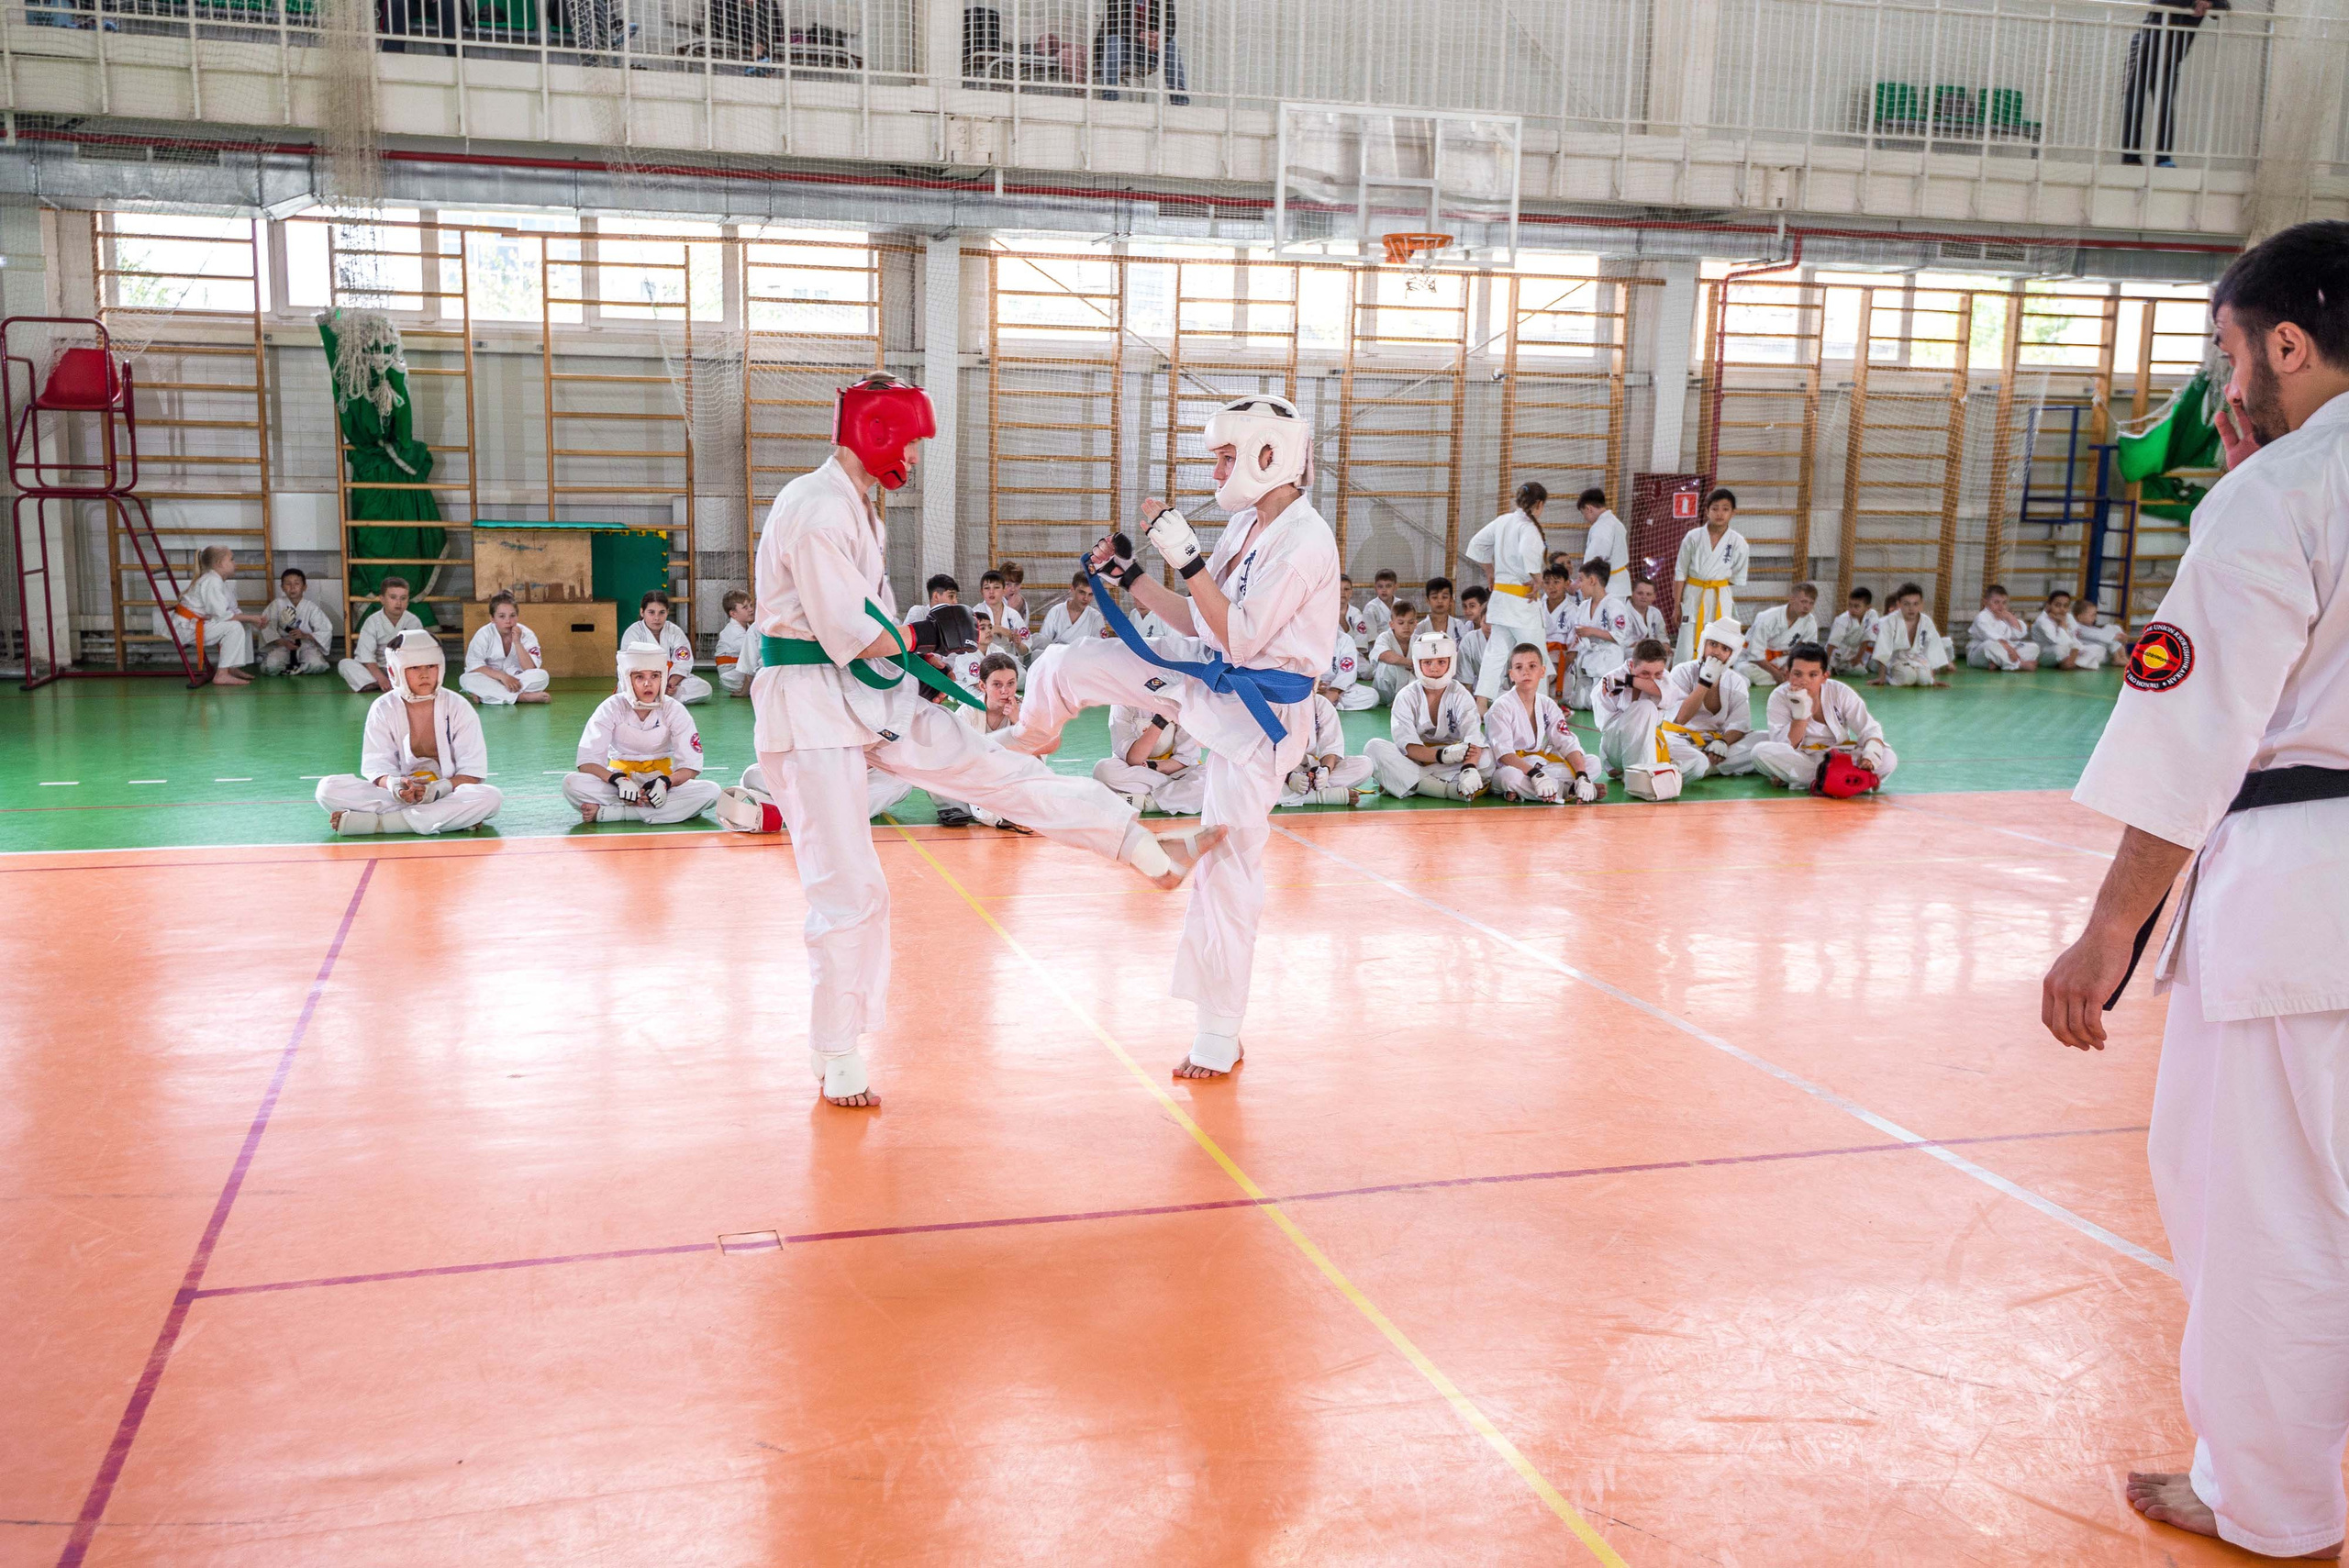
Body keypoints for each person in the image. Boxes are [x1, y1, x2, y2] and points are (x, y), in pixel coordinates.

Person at [2040, 221, 2349, 1563]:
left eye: (2227, 357)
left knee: (2268, 1216)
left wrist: (2110, 927)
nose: (2223, 391)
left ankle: (2272, 1503)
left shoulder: (2284, 492)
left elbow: (2190, 719)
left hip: (2307, 905)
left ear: (2285, 343)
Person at [753, 373, 1218, 1106]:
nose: (912, 455)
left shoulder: (855, 506)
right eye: (908, 440)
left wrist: (919, 652)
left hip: (867, 693)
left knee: (994, 767)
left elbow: (864, 632)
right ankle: (836, 1049)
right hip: (810, 711)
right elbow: (849, 633)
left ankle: (1139, 846)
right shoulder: (816, 508)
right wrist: (918, 635)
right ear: (876, 432)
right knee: (848, 884)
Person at [1012, 389, 1339, 1081]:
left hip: (1262, 720)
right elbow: (1198, 617)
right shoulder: (1248, 526)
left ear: (1268, 455)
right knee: (1066, 663)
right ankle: (1026, 742)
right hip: (1209, 678)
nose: (1217, 472)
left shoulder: (1306, 542)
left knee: (1228, 864)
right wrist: (1131, 575)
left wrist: (1187, 555)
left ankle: (1219, 1031)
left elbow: (1240, 635)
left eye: (1225, 458)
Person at [314, 628, 502, 836]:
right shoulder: (382, 708)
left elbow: (472, 773)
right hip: (397, 797)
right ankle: (447, 819)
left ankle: (381, 823)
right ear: (394, 671)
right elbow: (377, 767)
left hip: (447, 793)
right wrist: (395, 785)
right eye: (414, 667)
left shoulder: (458, 706)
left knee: (490, 798)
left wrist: (439, 789)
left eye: (431, 666)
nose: (425, 674)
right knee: (327, 789)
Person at [562, 645, 720, 825]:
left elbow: (690, 765)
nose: (648, 684)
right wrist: (618, 780)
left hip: (660, 782)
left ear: (662, 678)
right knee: (571, 784)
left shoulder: (674, 709)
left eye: (655, 676)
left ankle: (616, 813)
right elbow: (587, 762)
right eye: (639, 677)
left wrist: (665, 783)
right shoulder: (611, 707)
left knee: (711, 792)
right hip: (619, 782)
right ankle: (660, 811)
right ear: (627, 679)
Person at [1363, 628, 1490, 801]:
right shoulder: (1406, 696)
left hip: (1456, 759)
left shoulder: (1461, 694)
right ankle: (1447, 790)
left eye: (1441, 662)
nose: (1434, 668)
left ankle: (1408, 782)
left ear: (1451, 662)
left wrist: (1469, 769)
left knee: (1487, 760)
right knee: (1374, 748)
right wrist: (1443, 755)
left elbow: (1473, 739)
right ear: (1417, 663)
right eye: (1427, 662)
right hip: (1418, 758)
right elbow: (1408, 746)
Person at [1749, 642, 1896, 790]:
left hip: (1840, 755)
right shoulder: (1779, 697)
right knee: (1760, 752)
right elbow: (1785, 745)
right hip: (1804, 757)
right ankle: (1852, 779)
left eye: (1813, 675)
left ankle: (1809, 779)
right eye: (1797, 674)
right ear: (1788, 674)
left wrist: (1870, 757)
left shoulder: (1840, 692)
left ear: (1824, 676)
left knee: (1888, 757)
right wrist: (1801, 714)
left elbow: (1869, 729)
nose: (1804, 681)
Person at [1465, 480, 1555, 707]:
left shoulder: (1503, 521)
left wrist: (1490, 572)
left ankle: (1481, 704)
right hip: (1522, 602)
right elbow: (1527, 552)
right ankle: (1538, 707)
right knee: (1535, 655)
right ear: (1539, 504)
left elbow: (1476, 544)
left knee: (1495, 653)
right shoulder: (1528, 527)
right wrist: (1537, 577)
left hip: (1501, 600)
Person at [1486, 642, 1602, 804]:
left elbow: (1566, 742)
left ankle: (1537, 790)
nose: (1525, 672)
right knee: (1510, 778)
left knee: (1593, 764)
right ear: (1511, 675)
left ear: (1542, 671)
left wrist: (1582, 775)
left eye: (1532, 666)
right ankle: (1567, 790)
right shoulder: (1501, 708)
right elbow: (1504, 755)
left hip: (1540, 765)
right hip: (1510, 768)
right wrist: (1535, 775)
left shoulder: (1548, 704)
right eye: (1519, 667)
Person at [930, 652, 1033, 830]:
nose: (1005, 691)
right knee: (935, 766)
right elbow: (953, 757)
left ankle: (1001, 810)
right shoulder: (967, 712)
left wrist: (1018, 723)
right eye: (997, 684)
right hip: (972, 778)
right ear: (983, 686)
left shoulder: (1024, 713)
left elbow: (1036, 757)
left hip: (1010, 777)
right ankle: (951, 808)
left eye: (1010, 683)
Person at [2122, 0, 2227, 169]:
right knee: (2134, 105)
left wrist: (2207, 4)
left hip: (2170, 60)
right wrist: (2194, 3)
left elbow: (2224, 7)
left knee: (2164, 106)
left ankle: (2163, 158)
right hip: (2143, 53)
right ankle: (2130, 158)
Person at [1658, 617, 1759, 777]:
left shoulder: (1736, 681)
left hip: (1715, 744)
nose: (1717, 652)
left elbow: (1740, 723)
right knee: (1684, 754)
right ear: (1703, 644)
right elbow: (1681, 718)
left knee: (1763, 741)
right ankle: (1710, 765)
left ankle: (1698, 767)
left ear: (1732, 655)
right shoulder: (1682, 671)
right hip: (1680, 740)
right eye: (1713, 644)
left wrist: (1723, 742)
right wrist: (1705, 681)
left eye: (1725, 649)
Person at [157, 544, 264, 685]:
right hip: (186, 629)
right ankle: (222, 674)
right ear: (220, 563)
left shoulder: (218, 581)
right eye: (231, 559)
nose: (235, 563)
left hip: (197, 624)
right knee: (234, 627)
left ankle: (232, 667)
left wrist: (252, 620)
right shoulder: (212, 581)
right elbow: (223, 616)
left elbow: (232, 609)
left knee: (243, 625)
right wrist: (251, 618)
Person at [1674, 486, 1750, 660]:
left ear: (1733, 513)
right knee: (1686, 644)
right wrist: (1677, 605)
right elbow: (1680, 572)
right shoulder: (1693, 537)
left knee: (1719, 642)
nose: (1719, 513)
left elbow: (1737, 576)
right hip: (1693, 595)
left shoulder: (1739, 543)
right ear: (1707, 511)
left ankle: (1714, 676)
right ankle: (1682, 675)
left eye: (1725, 509)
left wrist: (1715, 582)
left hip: (1719, 596)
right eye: (1715, 508)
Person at [1594, 638, 1677, 796]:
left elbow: (1669, 696)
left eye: (1657, 673)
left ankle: (1641, 773)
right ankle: (1638, 780)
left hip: (1648, 744)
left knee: (1697, 763)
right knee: (1645, 707)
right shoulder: (1610, 680)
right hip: (1616, 748)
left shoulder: (1663, 678)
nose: (1652, 678)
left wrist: (1630, 680)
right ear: (1632, 665)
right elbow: (1606, 727)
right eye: (1645, 673)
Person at [1095, 706, 1207, 816]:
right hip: (1137, 771)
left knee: (1209, 777)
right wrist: (1160, 721)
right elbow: (1134, 759)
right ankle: (1179, 794)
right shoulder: (1121, 703)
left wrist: (1153, 766)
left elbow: (1185, 759)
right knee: (1103, 769)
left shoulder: (1184, 702)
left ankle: (1145, 803)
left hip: (1174, 771)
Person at [1276, 693, 1373, 807]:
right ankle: (1323, 796)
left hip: (1308, 769)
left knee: (1364, 765)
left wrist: (1325, 771)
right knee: (1257, 788)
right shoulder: (1270, 703)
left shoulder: (1320, 703)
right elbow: (1263, 758)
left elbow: (1331, 749)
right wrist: (1289, 777)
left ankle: (1299, 792)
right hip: (1275, 770)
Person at [1564, 558, 1634, 708]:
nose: (1578, 585)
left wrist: (1592, 631)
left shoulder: (1614, 605)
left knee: (1602, 706)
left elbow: (1620, 635)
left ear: (1592, 580)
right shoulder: (1583, 606)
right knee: (1579, 704)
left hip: (1607, 664)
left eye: (1581, 579)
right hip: (1586, 663)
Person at [460, 591, 551, 706]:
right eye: (502, 616)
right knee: (466, 679)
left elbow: (530, 668)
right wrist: (503, 677)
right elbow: (474, 666)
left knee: (542, 676)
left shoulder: (527, 634)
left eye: (512, 616)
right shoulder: (483, 634)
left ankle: (488, 696)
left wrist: (517, 642)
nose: (508, 621)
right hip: (491, 678)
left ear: (517, 616)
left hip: (517, 678)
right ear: (492, 618)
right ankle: (521, 697)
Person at [338, 575, 425, 693]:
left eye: (403, 598)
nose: (398, 602)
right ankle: (377, 683)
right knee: (345, 664)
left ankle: (384, 684)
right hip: (377, 669)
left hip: (403, 669)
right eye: (393, 597)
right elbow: (366, 657)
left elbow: (418, 654)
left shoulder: (413, 622)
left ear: (408, 600)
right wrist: (381, 679)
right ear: (382, 599)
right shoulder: (372, 622)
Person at [623, 589, 712, 704]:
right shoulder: (633, 633)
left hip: (669, 680)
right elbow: (631, 667)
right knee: (627, 689)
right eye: (651, 612)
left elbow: (683, 662)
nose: (657, 618)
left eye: (662, 612)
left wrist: (670, 684)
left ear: (667, 612)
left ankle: (658, 698)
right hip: (642, 681)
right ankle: (660, 698)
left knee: (704, 688)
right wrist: (657, 686)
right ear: (642, 612)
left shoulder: (674, 631)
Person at [1092, 0, 1187, 105]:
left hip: (1147, 51)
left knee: (1170, 45)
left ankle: (1180, 102)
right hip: (1121, 50)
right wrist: (1140, 36)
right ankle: (1109, 100)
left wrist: (1159, 36)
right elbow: (1112, 24)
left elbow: (1171, 25)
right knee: (1115, 40)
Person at [1739, 582, 1820, 688]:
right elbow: (1755, 654)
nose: (1807, 607)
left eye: (1811, 603)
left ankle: (1786, 677)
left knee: (1807, 667)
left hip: (1783, 660)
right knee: (1745, 670)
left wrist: (1787, 667)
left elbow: (1807, 650)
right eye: (1804, 602)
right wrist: (1776, 673)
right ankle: (1787, 678)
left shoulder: (1810, 621)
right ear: (1792, 599)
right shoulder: (1768, 618)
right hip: (1753, 662)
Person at [1870, 583, 1953, 686]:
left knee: (1925, 680)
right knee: (1908, 677)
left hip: (1918, 659)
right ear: (1899, 604)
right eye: (1906, 604)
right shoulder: (1890, 621)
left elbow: (1932, 649)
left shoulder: (1926, 622)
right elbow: (1883, 649)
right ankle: (1889, 676)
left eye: (1915, 604)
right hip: (1896, 660)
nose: (1911, 608)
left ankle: (1924, 676)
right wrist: (1881, 677)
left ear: (1921, 604)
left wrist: (1932, 680)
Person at [258, 566, 332, 677]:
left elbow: (325, 629)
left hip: (305, 645)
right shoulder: (276, 604)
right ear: (282, 587)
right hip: (282, 644)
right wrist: (283, 642)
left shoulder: (311, 607)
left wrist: (305, 635)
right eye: (288, 584)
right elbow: (266, 627)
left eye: (297, 583)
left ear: (304, 587)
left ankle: (296, 668)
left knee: (317, 665)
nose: (292, 587)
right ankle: (291, 667)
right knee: (271, 667)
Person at [1966, 584, 2044, 672]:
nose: (2001, 606)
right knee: (1990, 645)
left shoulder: (2004, 617)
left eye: (2004, 603)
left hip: (2005, 650)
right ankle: (2018, 664)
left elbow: (2019, 634)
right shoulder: (1982, 617)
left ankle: (1998, 662)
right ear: (1985, 602)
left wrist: (2010, 617)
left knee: (2034, 647)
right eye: (1996, 602)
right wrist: (2010, 650)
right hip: (1979, 653)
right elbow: (1991, 637)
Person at [1029, 571, 1108, 654]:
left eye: (1090, 594)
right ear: (1072, 589)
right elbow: (1043, 643)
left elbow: (1098, 648)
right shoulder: (1056, 611)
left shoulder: (1096, 617)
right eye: (1082, 592)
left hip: (1082, 658)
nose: (1086, 598)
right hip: (1056, 656)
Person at [2031, 588, 2109, 671]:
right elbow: (2060, 643)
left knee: (2099, 648)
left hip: (2069, 651)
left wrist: (2073, 657)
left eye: (2065, 606)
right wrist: (2062, 625)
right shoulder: (2042, 622)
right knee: (2059, 649)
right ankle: (2072, 663)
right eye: (2058, 605)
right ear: (2048, 605)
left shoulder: (2069, 617)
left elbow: (2074, 640)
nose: (2062, 609)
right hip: (2048, 653)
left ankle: (2070, 663)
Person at [1576, 487, 1631, 597]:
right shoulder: (1615, 523)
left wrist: (1579, 582)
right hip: (1616, 585)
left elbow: (1596, 558)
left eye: (1583, 513)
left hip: (1607, 587)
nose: (1585, 518)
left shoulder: (1602, 526)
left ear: (1588, 508)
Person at [1367, 600, 1421, 706]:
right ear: (1392, 624)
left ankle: (1406, 700)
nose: (1406, 627)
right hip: (1385, 691)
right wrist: (1411, 663)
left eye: (1410, 622)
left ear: (1416, 624)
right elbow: (1384, 655)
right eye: (1401, 623)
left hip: (1409, 692)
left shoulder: (1419, 640)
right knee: (1389, 665)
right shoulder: (1385, 637)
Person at [715, 587, 763, 696]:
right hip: (732, 676)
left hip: (740, 671)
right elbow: (752, 654)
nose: (751, 610)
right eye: (745, 607)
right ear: (733, 614)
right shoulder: (732, 632)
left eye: (751, 605)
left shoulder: (748, 628)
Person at [1321, 624, 1376, 711]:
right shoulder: (1303, 637)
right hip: (1307, 687)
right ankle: (1325, 702)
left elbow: (1347, 672)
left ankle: (1322, 702)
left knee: (1372, 696)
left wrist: (1334, 691)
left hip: (1335, 687)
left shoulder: (1344, 639)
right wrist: (1310, 685)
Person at [975, 569, 1030, 655]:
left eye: (996, 587)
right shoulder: (976, 612)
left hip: (1008, 658)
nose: (991, 592)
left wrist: (1018, 644)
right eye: (987, 588)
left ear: (1004, 590)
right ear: (982, 592)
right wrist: (1000, 629)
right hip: (983, 658)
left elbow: (1025, 651)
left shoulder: (1013, 615)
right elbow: (971, 641)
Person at [1828, 585, 1880, 673]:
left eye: (1856, 606)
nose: (1852, 609)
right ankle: (1832, 667)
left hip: (1852, 656)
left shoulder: (1872, 615)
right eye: (1850, 605)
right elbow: (1832, 644)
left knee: (1861, 672)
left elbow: (1867, 639)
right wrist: (1827, 664)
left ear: (1868, 608)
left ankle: (1841, 669)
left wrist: (1858, 658)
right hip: (1835, 653)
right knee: (1828, 670)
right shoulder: (1843, 619)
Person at [1456, 584, 1492, 684]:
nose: (1468, 611)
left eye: (1472, 606)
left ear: (1484, 605)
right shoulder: (1465, 630)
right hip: (1475, 684)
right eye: (1464, 606)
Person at [2073, 596, 2127, 662]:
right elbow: (2098, 636)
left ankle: (2123, 657)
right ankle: (2118, 659)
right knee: (2110, 640)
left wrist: (2118, 635)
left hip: (2104, 651)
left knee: (2112, 628)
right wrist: (2114, 637)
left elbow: (2100, 634)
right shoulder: (2079, 628)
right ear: (2080, 617)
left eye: (2095, 615)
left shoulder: (2091, 628)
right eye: (2092, 615)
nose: (2095, 618)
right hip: (2093, 653)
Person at [1624, 575, 1670, 649]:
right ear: (1631, 594)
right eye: (1640, 593)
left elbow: (1662, 635)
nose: (1644, 597)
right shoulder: (1623, 613)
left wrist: (1665, 644)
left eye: (1648, 594)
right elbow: (1625, 641)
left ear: (1654, 597)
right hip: (1629, 651)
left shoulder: (1655, 612)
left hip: (1652, 649)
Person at [1363, 568, 1400, 647]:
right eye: (1380, 586)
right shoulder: (1370, 608)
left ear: (1395, 587)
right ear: (1375, 588)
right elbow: (1372, 638)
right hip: (1379, 647)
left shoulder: (1402, 605)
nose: (1384, 590)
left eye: (1388, 586)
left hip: (1401, 645)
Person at [1340, 573, 1373, 654]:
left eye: (1346, 589)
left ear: (1351, 592)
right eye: (1338, 589)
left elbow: (1360, 642)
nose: (1342, 592)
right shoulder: (1324, 612)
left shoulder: (1355, 613)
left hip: (1352, 653)